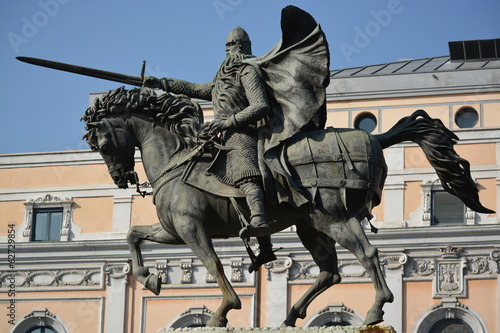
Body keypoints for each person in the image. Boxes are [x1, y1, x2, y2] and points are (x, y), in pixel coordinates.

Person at [145, 26, 276, 270]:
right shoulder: (222, 78)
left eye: (236, 44)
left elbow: (260, 106)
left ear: (246, 47)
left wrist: (230, 122)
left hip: (242, 132)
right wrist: (161, 82)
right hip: (219, 134)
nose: (231, 49)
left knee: (243, 165)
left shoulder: (248, 71)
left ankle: (259, 218)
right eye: (228, 45)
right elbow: (195, 89)